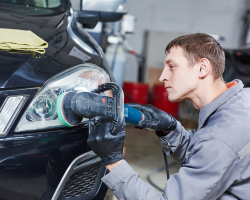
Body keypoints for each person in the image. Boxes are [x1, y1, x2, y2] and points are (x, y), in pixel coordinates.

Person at [87, 33, 250, 200]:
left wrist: (113, 161)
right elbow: (207, 157)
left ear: (202, 68)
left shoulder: (220, 138)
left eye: (171, 66)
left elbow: (215, 149)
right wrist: (171, 129)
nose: (162, 76)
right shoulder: (243, 100)